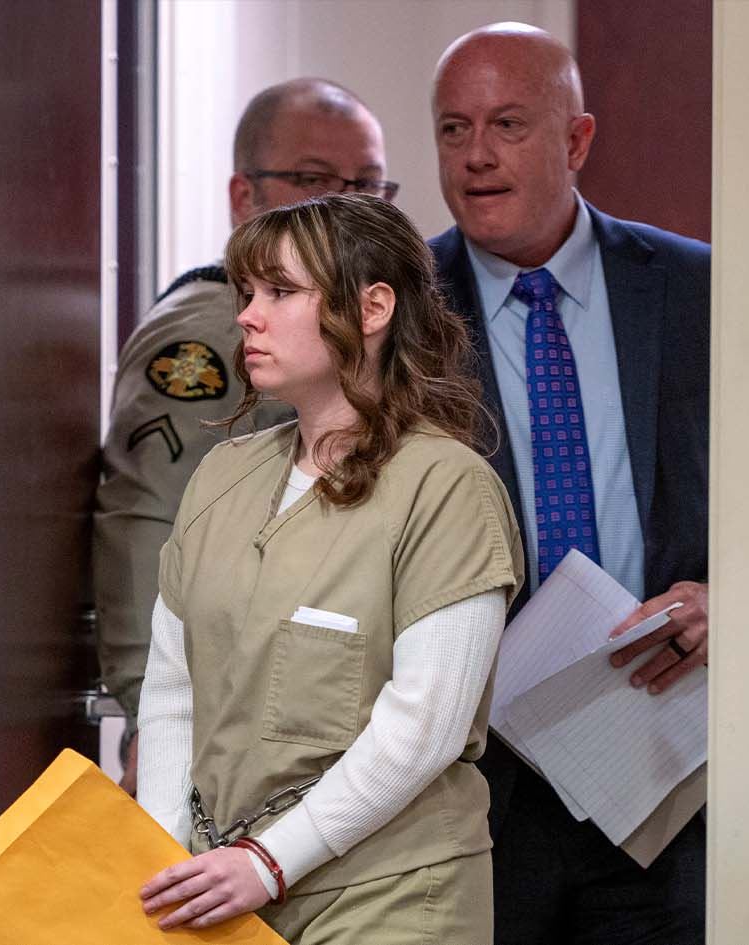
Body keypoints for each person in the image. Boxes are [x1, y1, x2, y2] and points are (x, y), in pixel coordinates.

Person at [135, 193, 524, 944]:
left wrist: (269, 862)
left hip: (390, 894)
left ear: (373, 308)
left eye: (280, 292)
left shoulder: (447, 487)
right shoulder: (221, 476)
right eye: (247, 292)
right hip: (224, 890)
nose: (247, 316)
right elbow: (173, 689)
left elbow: (426, 728)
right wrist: (166, 856)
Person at [428, 22, 711, 945]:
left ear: (577, 140)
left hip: (662, 758)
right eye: (454, 129)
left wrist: (732, 598)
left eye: (507, 124)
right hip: (474, 778)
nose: (476, 156)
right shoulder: (396, 309)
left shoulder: (697, 289)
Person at [93, 78, 396, 791]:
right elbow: (146, 521)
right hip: (226, 730)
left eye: (367, 185)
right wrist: (150, 714)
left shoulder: (361, 328)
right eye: (314, 180)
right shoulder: (213, 332)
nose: (345, 206)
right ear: (243, 196)